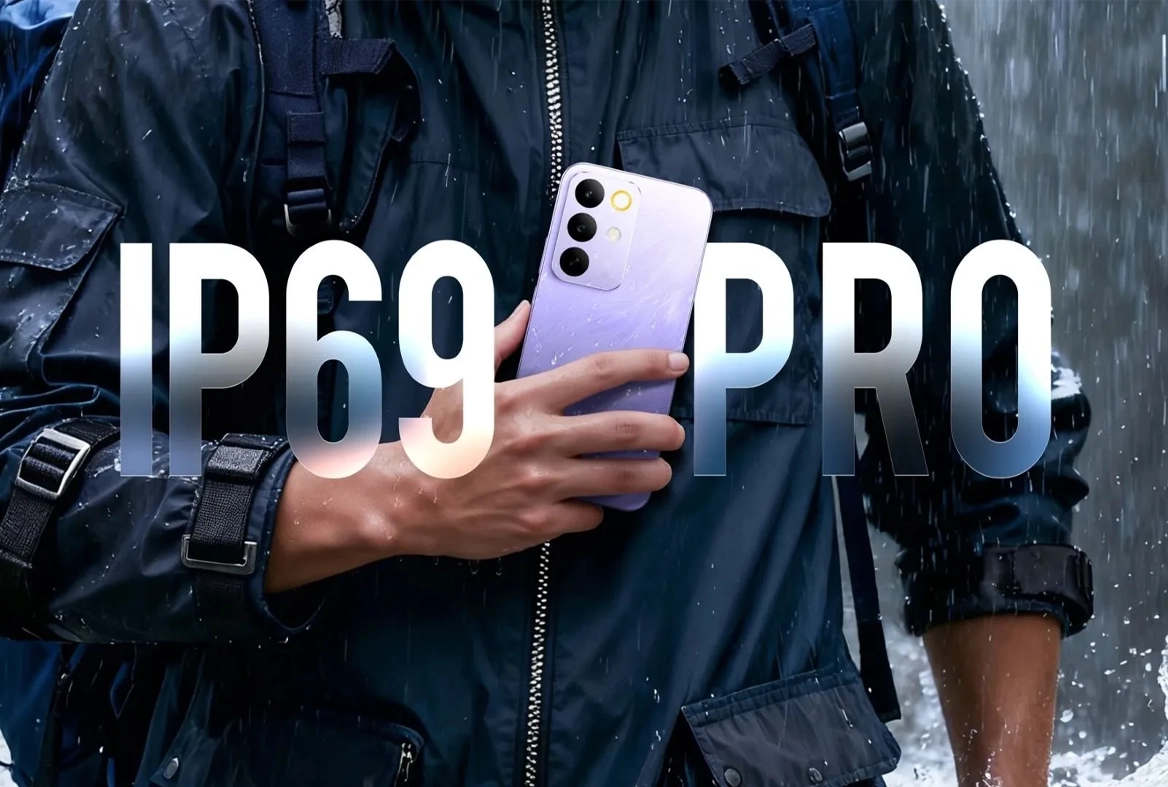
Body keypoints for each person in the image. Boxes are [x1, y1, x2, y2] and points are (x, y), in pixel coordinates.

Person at [0, 1, 1094, 786]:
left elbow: (989, 434)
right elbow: (24, 475)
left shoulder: (828, 17)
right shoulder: (195, 25)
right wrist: (380, 495)